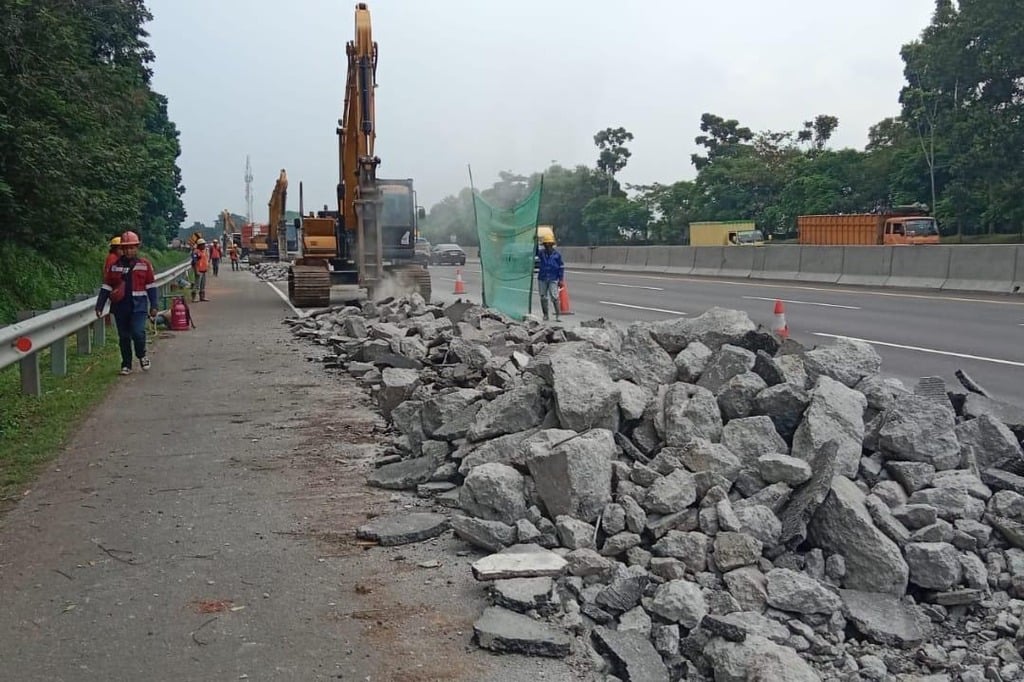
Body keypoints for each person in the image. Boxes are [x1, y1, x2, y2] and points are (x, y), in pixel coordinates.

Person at [95, 231, 159, 375]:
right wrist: (99, 306)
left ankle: (142, 355)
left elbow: (151, 286)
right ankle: (126, 364)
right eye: (126, 248)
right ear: (122, 249)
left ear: (137, 248)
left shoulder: (145, 265)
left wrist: (154, 305)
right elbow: (107, 286)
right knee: (124, 337)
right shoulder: (114, 266)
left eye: (132, 247)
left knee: (138, 333)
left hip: (139, 307)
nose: (130, 251)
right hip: (121, 307)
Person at [536, 233, 565, 321]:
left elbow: (561, 267)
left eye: (548, 244)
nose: (547, 246)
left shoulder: (557, 255)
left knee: (555, 297)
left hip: (553, 278)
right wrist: (535, 241)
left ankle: (558, 315)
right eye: (545, 244)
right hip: (543, 277)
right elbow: (535, 251)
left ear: (551, 244)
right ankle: (545, 315)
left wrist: (561, 279)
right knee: (543, 297)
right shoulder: (541, 253)